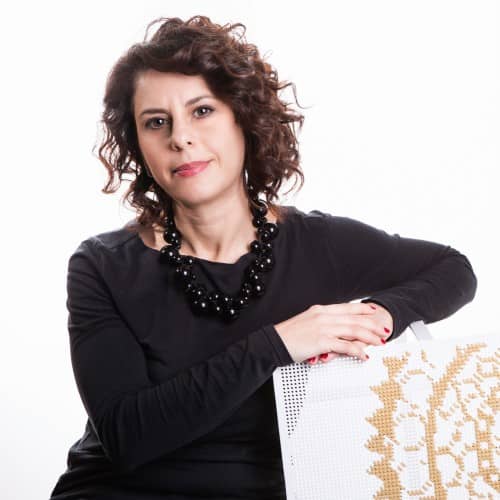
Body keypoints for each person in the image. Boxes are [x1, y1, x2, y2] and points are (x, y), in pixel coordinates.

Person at [49, 15, 477, 500]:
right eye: (156, 122)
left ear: (242, 118)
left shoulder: (318, 244)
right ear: (138, 144)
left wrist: (377, 316)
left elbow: (453, 269)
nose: (180, 137)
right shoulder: (101, 265)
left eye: (202, 111)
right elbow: (128, 437)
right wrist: (279, 344)